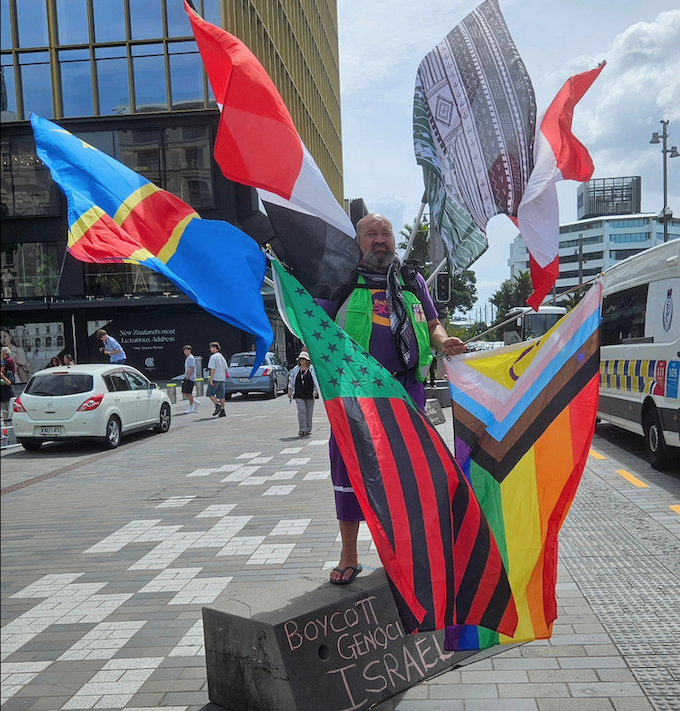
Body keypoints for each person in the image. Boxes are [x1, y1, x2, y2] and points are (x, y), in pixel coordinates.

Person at [319, 213, 466, 585]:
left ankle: (403, 554)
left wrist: (442, 341)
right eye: (372, 233)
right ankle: (349, 555)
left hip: (407, 392)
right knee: (350, 468)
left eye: (386, 233)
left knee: (407, 472)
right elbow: (316, 327)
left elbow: (432, 325)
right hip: (357, 395)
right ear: (358, 241)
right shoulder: (341, 280)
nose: (380, 239)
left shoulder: (412, 280)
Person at [288, 350, 319, 436]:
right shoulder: (296, 369)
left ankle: (308, 428)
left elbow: (316, 381)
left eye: (304, 359)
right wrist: (289, 390)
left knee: (309, 412)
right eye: (301, 359)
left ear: (307, 361)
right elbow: (291, 380)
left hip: (310, 394)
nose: (302, 361)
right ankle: (302, 428)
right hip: (299, 393)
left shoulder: (312, 369)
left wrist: (316, 391)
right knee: (302, 410)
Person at [207, 341, 227, 418]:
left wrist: (211, 379)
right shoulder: (222, 357)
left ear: (215, 348)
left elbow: (212, 369)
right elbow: (226, 368)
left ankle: (217, 405)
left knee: (210, 393)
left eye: (211, 348)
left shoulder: (213, 357)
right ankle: (223, 410)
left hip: (215, 378)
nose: (210, 349)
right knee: (221, 396)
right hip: (222, 378)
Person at [182, 344, 200, 414]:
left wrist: (188, 377)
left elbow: (191, 368)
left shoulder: (191, 358)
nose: (185, 352)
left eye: (186, 350)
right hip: (187, 377)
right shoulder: (188, 358)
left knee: (188, 392)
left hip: (190, 378)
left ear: (190, 351)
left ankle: (191, 407)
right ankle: (195, 402)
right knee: (185, 392)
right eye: (184, 350)